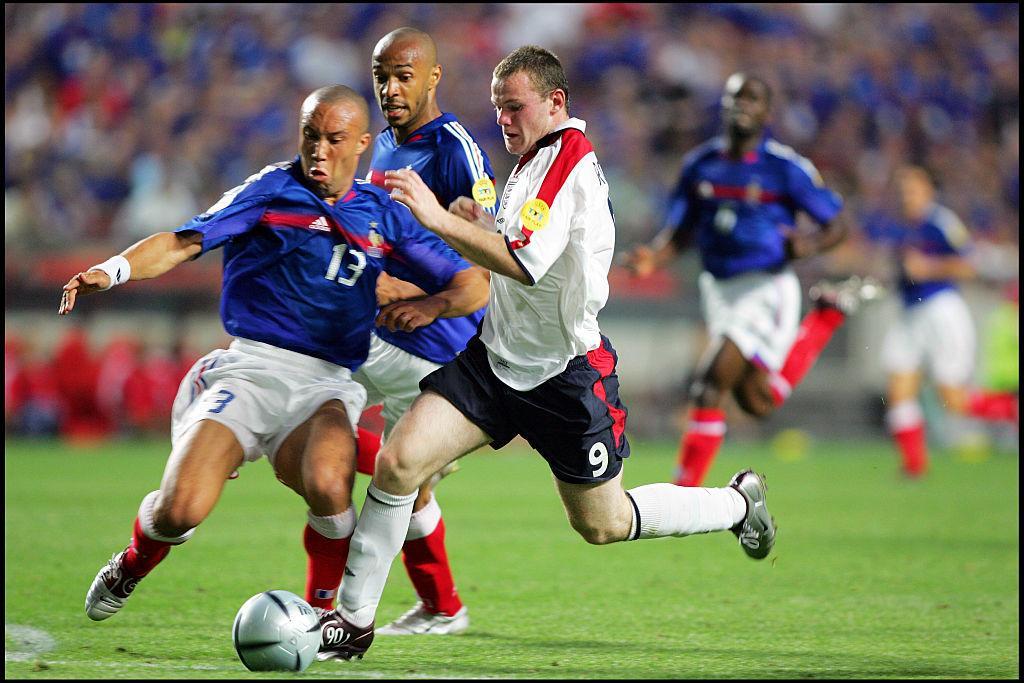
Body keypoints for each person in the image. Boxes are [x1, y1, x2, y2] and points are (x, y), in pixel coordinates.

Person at [315, 45, 777, 662]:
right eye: (497, 108)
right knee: (400, 464)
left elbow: (525, 265)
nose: (504, 120)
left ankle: (735, 503)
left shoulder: (565, 164)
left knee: (603, 524)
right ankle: (351, 624)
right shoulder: (535, 161)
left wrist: (434, 216)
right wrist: (481, 220)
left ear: (556, 103)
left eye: (515, 108)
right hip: (494, 360)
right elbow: (519, 244)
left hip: (565, 375)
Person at [62, 84, 488, 623]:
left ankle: (316, 622)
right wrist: (113, 270)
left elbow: (472, 283)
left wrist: (433, 306)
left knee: (330, 485)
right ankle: (129, 564)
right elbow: (183, 241)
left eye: (334, 140)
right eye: (311, 136)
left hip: (327, 383)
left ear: (362, 144)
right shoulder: (270, 189)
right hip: (251, 370)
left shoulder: (386, 213)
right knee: (179, 510)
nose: (319, 151)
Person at [302, 26, 496, 637]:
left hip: (432, 335)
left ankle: (326, 608)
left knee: (296, 404)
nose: (389, 88)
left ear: (433, 78)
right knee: (403, 480)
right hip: (387, 326)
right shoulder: (381, 146)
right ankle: (442, 606)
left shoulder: (454, 147)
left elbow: (490, 242)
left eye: (403, 76)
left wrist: (426, 290)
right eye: (381, 75)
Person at [624, 72, 880, 488]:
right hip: (718, 289)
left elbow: (837, 226)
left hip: (764, 286)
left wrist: (809, 246)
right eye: (735, 98)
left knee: (709, 382)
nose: (743, 105)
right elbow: (682, 231)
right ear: (723, 106)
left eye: (752, 99)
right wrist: (654, 257)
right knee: (757, 401)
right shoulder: (700, 165)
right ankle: (824, 320)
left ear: (767, 111)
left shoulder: (785, 168)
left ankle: (683, 491)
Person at [880, 166, 1018, 477]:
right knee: (899, 389)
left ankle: (1013, 411)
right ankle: (914, 467)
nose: (906, 194)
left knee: (953, 399)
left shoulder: (940, 221)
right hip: (909, 311)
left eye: (913, 188)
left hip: (941, 309)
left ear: (929, 190)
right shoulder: (899, 227)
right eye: (902, 188)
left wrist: (930, 267)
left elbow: (970, 264)